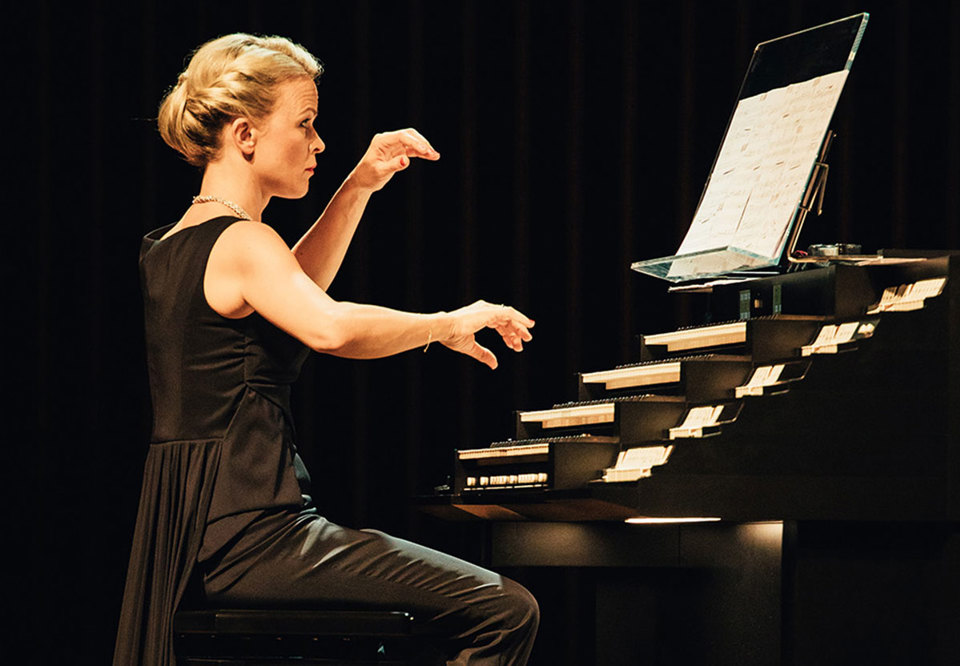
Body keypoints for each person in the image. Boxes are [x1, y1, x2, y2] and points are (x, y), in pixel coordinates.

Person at [113, 33, 539, 666]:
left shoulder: (176, 243)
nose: (318, 142)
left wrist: (359, 185)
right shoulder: (243, 242)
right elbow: (329, 327)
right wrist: (447, 322)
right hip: (251, 532)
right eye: (305, 123)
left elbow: (296, 288)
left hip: (190, 533)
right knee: (505, 610)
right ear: (245, 134)